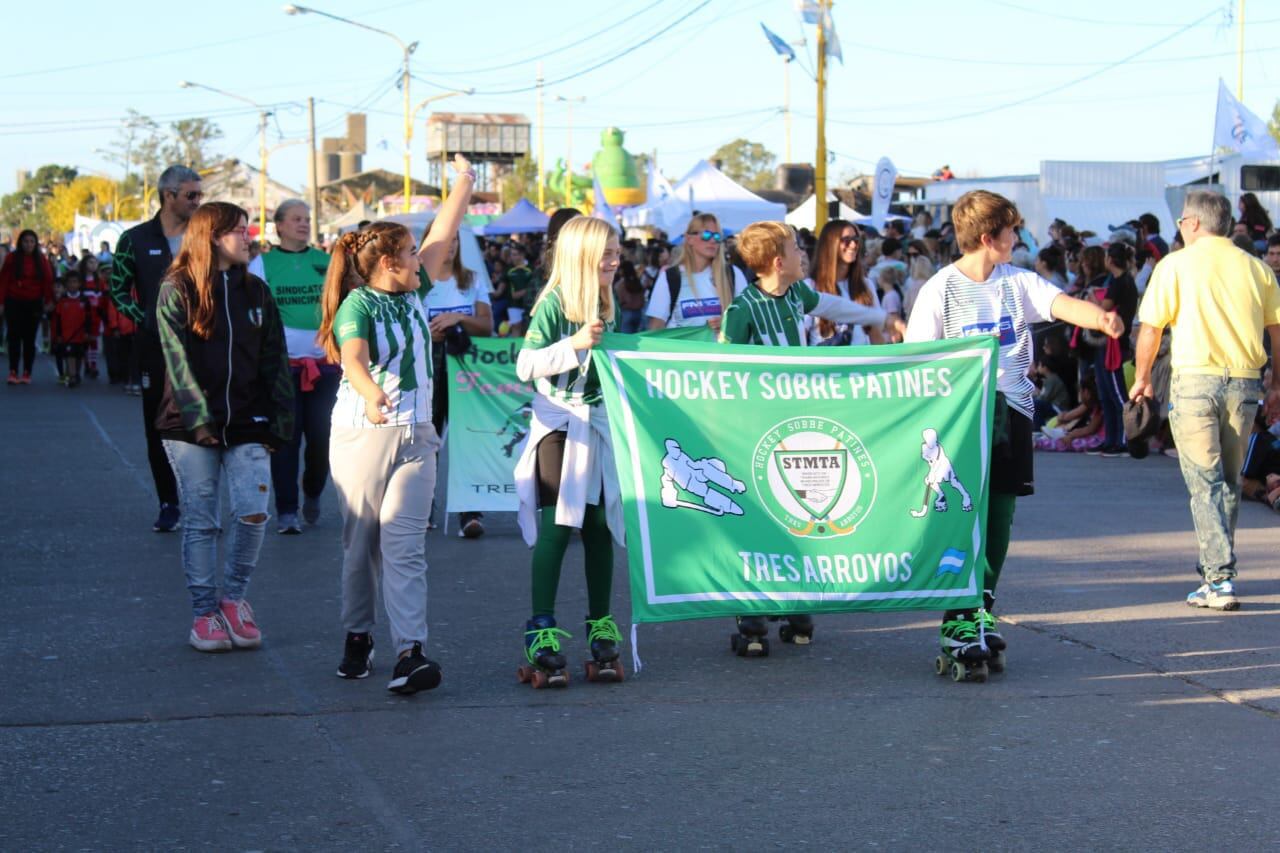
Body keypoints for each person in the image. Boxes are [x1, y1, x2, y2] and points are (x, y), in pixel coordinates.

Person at [905, 190, 1122, 678]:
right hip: (962, 417)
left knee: (1000, 516)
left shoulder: (1017, 280)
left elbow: (1063, 303)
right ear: (989, 237)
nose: (1019, 237)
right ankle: (956, 618)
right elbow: (916, 359)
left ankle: (981, 603)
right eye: (1013, 230)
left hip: (1014, 411)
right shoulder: (940, 289)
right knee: (964, 515)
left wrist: (1102, 318)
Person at [317, 154, 475, 694]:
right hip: (364, 435)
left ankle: (410, 652)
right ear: (388, 262)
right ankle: (359, 635)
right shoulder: (356, 305)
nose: (424, 258)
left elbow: (444, 230)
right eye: (411, 252)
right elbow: (353, 359)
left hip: (417, 437)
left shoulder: (416, 291)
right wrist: (372, 395)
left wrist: (464, 183)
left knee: (404, 545)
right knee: (361, 544)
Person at [720, 220, 904, 655]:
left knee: (794, 505)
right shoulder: (742, 310)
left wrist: (883, 318)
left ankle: (794, 596)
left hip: (796, 421)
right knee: (758, 515)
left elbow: (835, 307)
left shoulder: (797, 293)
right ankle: (752, 605)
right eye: (797, 248)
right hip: (755, 427)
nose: (805, 255)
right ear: (779, 262)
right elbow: (721, 371)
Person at [154, 202, 294, 653]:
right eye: (239, 230)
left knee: (254, 512)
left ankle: (233, 600)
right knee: (202, 520)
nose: (249, 237)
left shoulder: (256, 291)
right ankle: (203, 615)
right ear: (213, 236)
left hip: (249, 421)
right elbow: (176, 362)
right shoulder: (177, 288)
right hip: (189, 425)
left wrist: (278, 423)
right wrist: (200, 422)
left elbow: (276, 360)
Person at [1130, 190, 1280, 611]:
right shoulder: (1256, 269)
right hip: (1246, 382)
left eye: (1180, 221)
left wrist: (1142, 378)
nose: (1179, 227)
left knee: (1205, 482)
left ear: (1194, 223)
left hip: (1195, 380)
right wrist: (1277, 386)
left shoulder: (1174, 265)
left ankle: (1219, 578)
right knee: (1227, 482)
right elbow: (1277, 332)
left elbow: (1150, 329)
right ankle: (1218, 571)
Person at [513, 216, 626, 687]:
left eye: (617, 251)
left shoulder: (606, 299)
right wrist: (574, 344)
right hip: (559, 423)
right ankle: (541, 629)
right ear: (581, 256)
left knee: (599, 525)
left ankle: (600, 623)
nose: (615, 261)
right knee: (560, 524)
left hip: (596, 423)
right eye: (607, 253)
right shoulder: (555, 303)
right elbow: (526, 365)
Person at [110, 164, 204, 532]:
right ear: (169, 196)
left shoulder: (206, 238)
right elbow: (118, 291)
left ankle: (201, 501)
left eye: (200, 194)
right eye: (191, 195)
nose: (198, 201)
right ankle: (169, 502)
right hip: (154, 349)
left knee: (203, 424)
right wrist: (147, 318)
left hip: (202, 346)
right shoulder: (133, 239)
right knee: (159, 427)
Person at [247, 199, 337, 535]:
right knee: (285, 439)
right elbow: (253, 316)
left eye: (307, 218)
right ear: (279, 226)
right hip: (282, 369)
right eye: (297, 219)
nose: (304, 224)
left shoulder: (327, 263)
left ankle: (312, 490)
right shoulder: (261, 265)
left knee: (322, 439)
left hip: (325, 368)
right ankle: (287, 509)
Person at [423, 219, 492, 538]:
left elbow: (487, 325)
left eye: (454, 241)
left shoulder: (472, 279)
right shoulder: (417, 282)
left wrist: (458, 317)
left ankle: (471, 512)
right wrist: (431, 331)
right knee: (427, 439)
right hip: (428, 365)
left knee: (466, 437)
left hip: (465, 365)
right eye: (442, 240)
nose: (449, 246)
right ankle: (422, 507)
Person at [646, 213, 748, 333]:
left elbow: (748, 321)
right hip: (682, 351)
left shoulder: (733, 274)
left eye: (717, 236)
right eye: (706, 235)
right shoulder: (671, 277)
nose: (712, 240)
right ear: (689, 239)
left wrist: (728, 324)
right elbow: (655, 328)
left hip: (722, 351)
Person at [1084, 242, 1138, 457]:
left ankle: (1125, 439)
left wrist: (1089, 299)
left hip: (1114, 343)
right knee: (1105, 392)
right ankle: (1111, 439)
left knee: (1117, 393)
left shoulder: (1120, 282)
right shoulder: (1120, 281)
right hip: (1107, 342)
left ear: (1111, 260)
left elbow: (1103, 308)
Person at [806, 220, 882, 346]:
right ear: (830, 244)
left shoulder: (866, 285)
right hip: (825, 363)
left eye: (856, 240)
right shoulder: (810, 287)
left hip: (862, 363)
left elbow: (876, 334)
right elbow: (802, 337)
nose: (853, 245)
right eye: (846, 240)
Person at [0, 229, 54, 384]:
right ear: (20, 243)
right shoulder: (12, 258)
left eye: (32, 242)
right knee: (14, 337)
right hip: (14, 301)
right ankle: (13, 371)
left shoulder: (41, 259)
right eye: (25, 241)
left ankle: (27, 372)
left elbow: (47, 281)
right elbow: (3, 281)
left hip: (33, 303)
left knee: (29, 339)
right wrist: (1, 302)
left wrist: (49, 300)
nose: (29, 244)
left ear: (35, 243)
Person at [51, 270, 93, 387]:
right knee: (70, 354)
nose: (72, 285)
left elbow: (89, 317)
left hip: (80, 333)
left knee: (79, 355)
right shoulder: (62, 300)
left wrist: (87, 332)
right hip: (67, 334)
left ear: (79, 284)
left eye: (75, 282)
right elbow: (58, 318)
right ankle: (72, 376)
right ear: (66, 285)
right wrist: (58, 334)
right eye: (70, 282)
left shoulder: (84, 300)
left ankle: (77, 373)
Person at [613, 259, 647, 333]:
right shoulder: (638, 282)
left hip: (626, 313)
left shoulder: (620, 284)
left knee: (625, 339)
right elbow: (642, 298)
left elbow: (618, 300)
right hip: (639, 313)